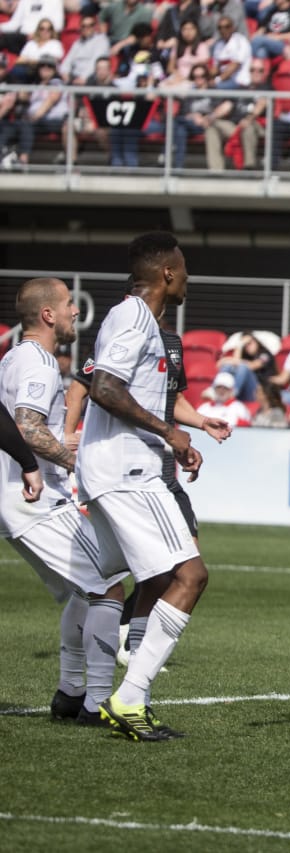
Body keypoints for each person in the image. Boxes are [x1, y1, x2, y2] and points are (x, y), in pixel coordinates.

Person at [78, 232, 210, 741]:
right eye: (185, 269)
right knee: (190, 576)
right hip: (126, 472)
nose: (188, 278)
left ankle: (84, 693)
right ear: (168, 273)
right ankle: (129, 697)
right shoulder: (133, 317)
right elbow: (105, 388)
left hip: (123, 469)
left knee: (114, 581)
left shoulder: (143, 321)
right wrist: (169, 434)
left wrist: (173, 439)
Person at [65, 289, 231, 672]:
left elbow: (173, 400)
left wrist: (200, 422)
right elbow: (86, 387)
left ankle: (129, 645)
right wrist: (68, 434)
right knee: (171, 570)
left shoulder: (170, 342)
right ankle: (119, 652)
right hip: (128, 469)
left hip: (160, 465)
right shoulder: (124, 329)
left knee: (175, 564)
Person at [1, 277, 129, 728]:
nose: (76, 311)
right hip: (32, 499)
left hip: (20, 497)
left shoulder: (16, 357)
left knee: (85, 588)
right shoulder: (38, 362)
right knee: (109, 585)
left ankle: (70, 693)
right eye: (70, 304)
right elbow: (28, 428)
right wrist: (73, 459)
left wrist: (63, 443)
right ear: (48, 314)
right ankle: (97, 703)